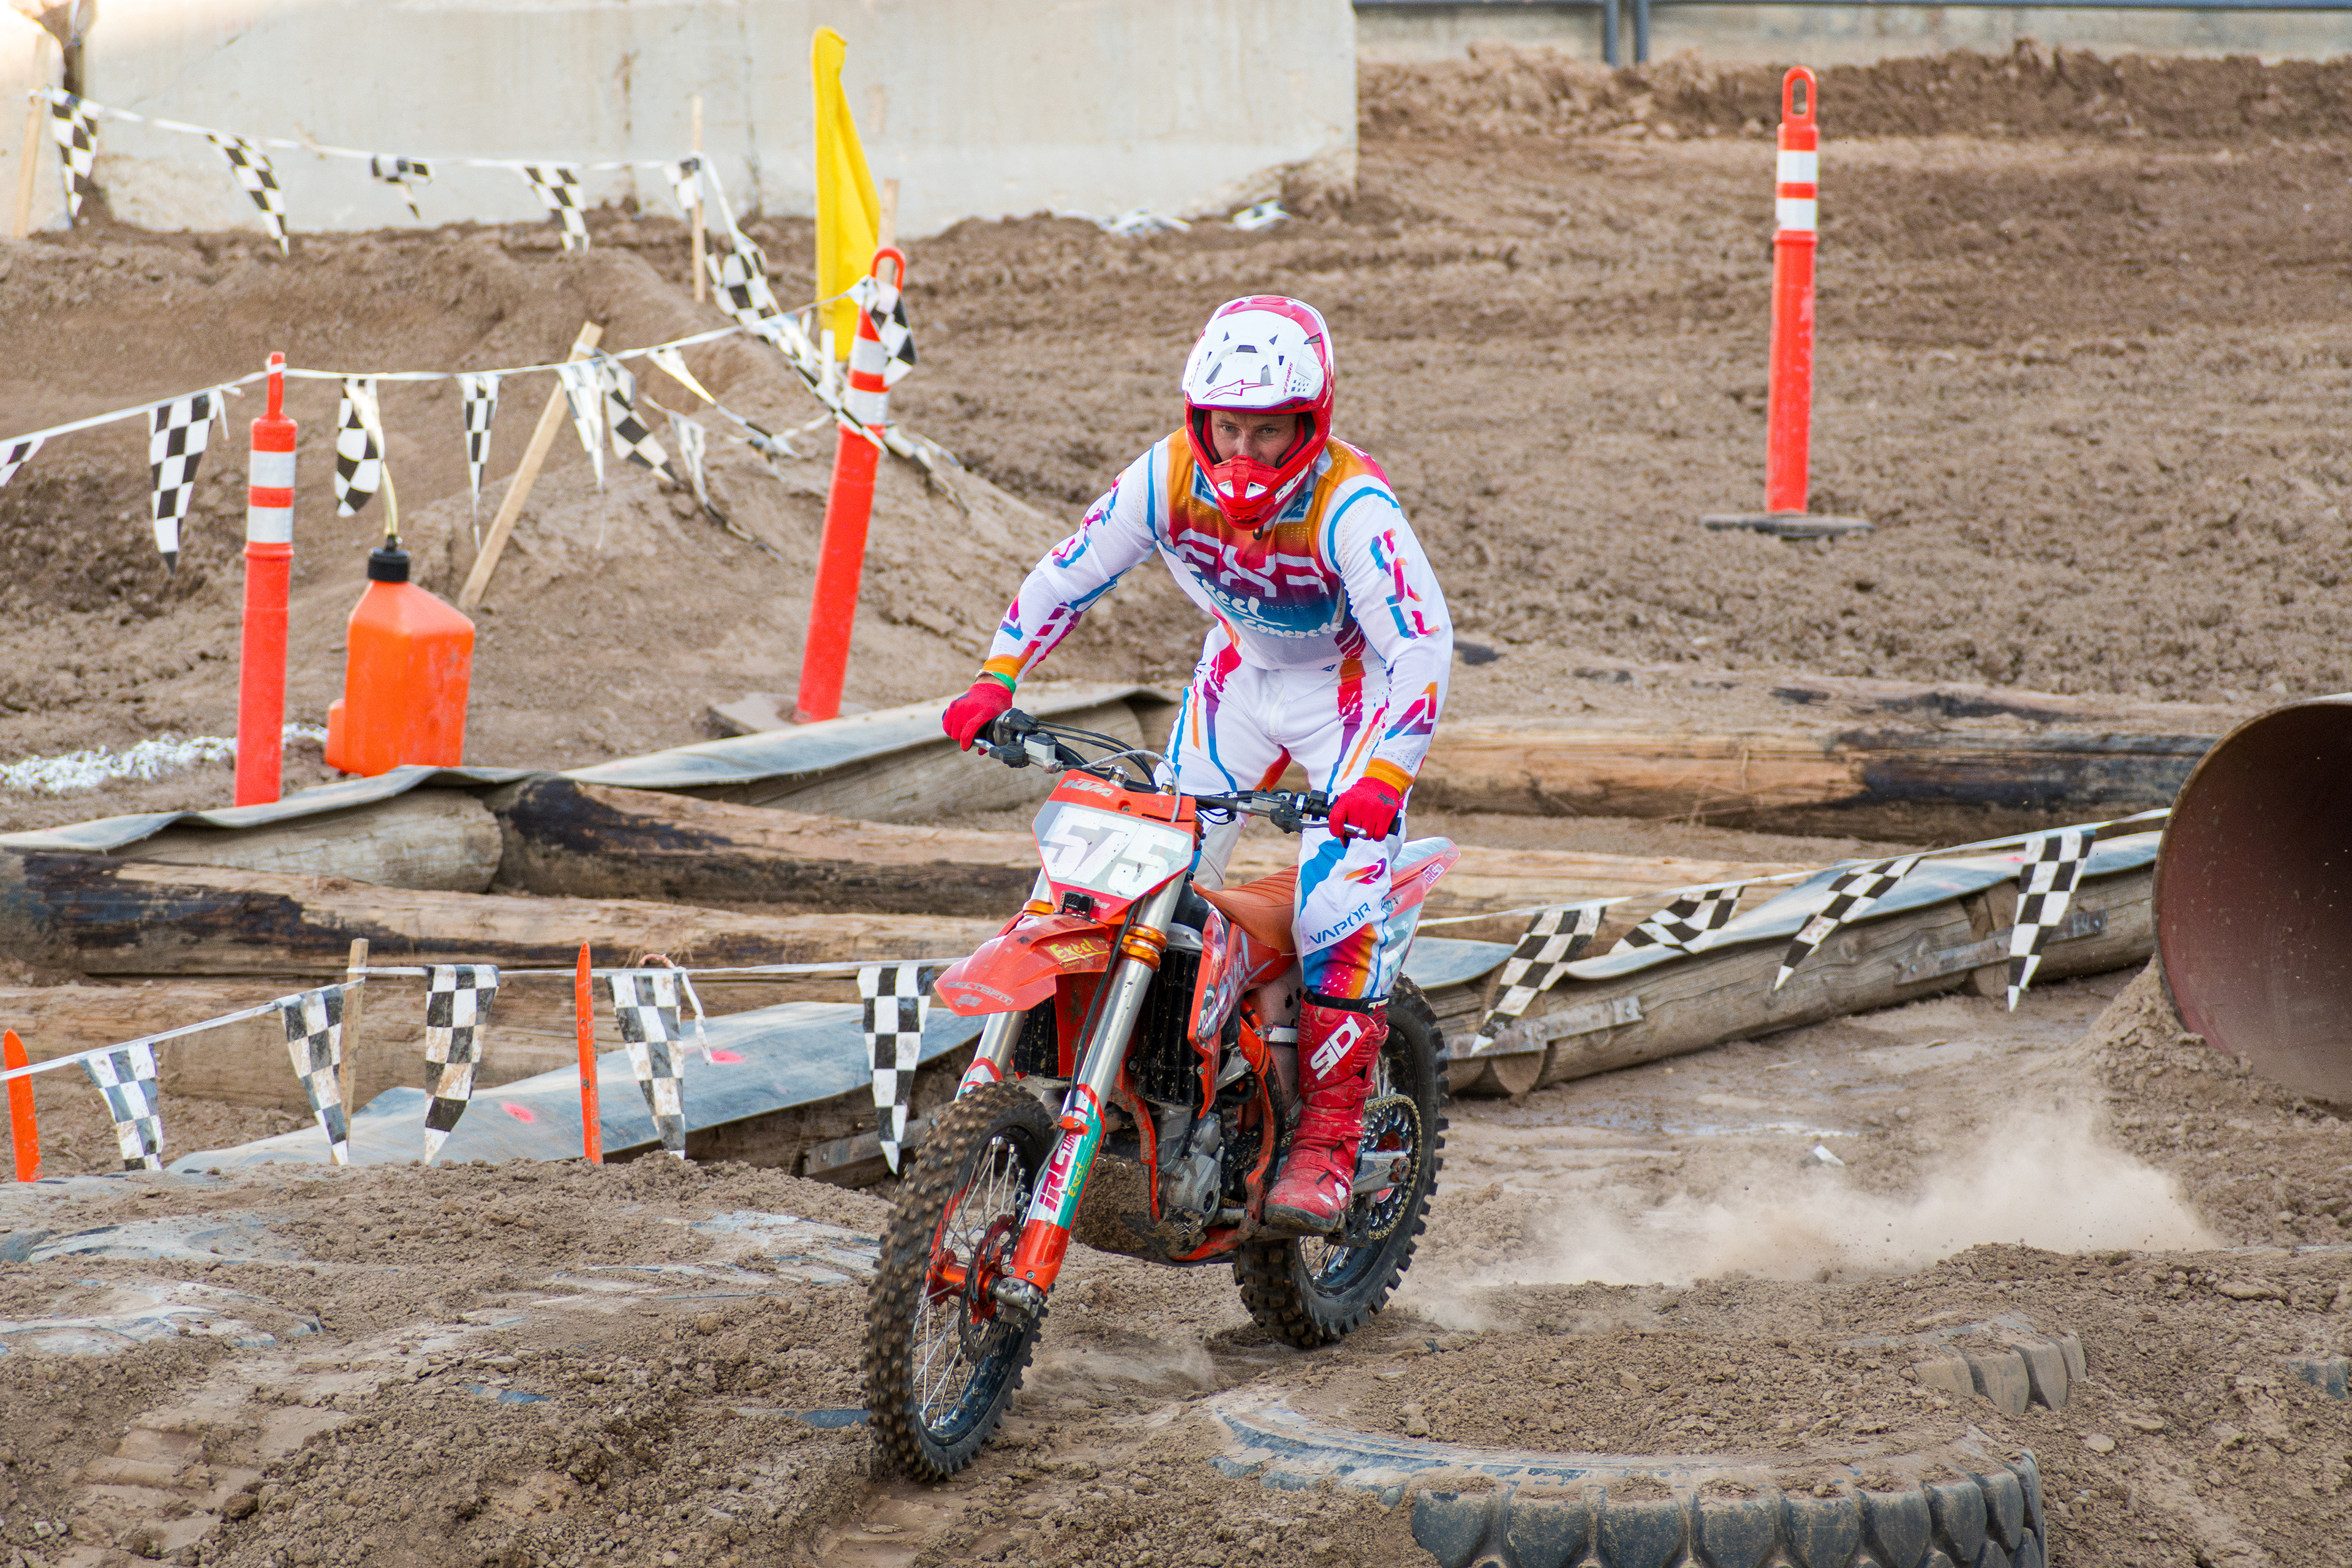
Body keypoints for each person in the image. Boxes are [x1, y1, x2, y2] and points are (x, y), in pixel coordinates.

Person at [939, 295, 1453, 1235]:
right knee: (1144, 872)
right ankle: (1155, 1073)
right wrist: (996, 675)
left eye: (1270, 432)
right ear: (1200, 420)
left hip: (1351, 693)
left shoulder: (1352, 504)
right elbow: (1070, 571)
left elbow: (1422, 646)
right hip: (1235, 682)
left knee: (1332, 898)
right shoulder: (1168, 476)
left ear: (1311, 422)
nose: (1246, 454)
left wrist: (1385, 774)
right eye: (1230, 429)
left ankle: (1328, 1136)